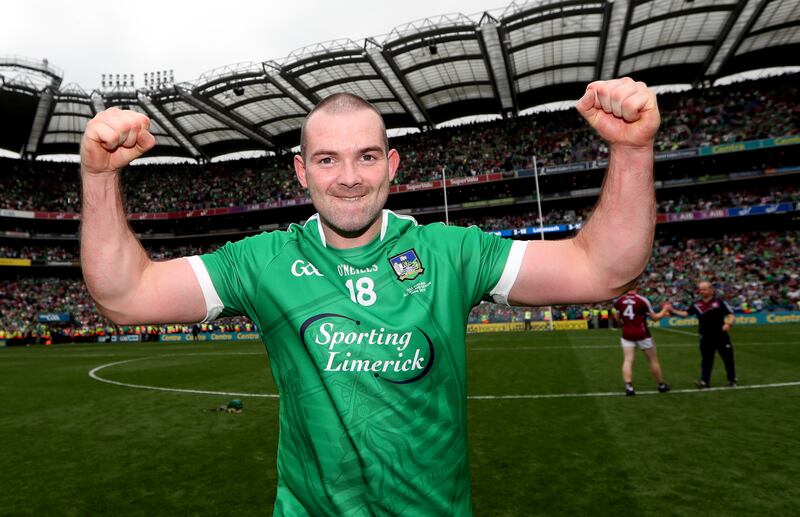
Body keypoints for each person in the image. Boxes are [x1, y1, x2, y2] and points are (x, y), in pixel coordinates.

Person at [79, 77, 660, 516]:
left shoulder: (449, 253)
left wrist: (633, 151)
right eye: (328, 160)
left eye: (366, 156)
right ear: (302, 172)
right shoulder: (261, 262)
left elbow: (601, 270)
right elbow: (127, 296)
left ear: (392, 164)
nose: (349, 177)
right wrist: (99, 177)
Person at [668, 281, 737, 388]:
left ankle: (732, 380)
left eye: (704, 289)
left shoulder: (719, 302)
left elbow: (730, 315)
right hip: (705, 337)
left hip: (721, 336)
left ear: (711, 290)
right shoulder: (696, 304)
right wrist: (672, 310)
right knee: (706, 360)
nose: (701, 291)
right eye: (700, 289)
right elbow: (686, 314)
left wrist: (729, 324)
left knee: (728, 359)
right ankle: (705, 381)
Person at [612, 288, 671, 396]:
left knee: (628, 360)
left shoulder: (619, 300)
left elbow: (616, 317)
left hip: (627, 333)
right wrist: (665, 309)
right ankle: (661, 385)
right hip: (642, 334)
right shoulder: (642, 300)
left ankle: (629, 387)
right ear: (636, 287)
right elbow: (655, 318)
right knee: (653, 360)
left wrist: (622, 325)